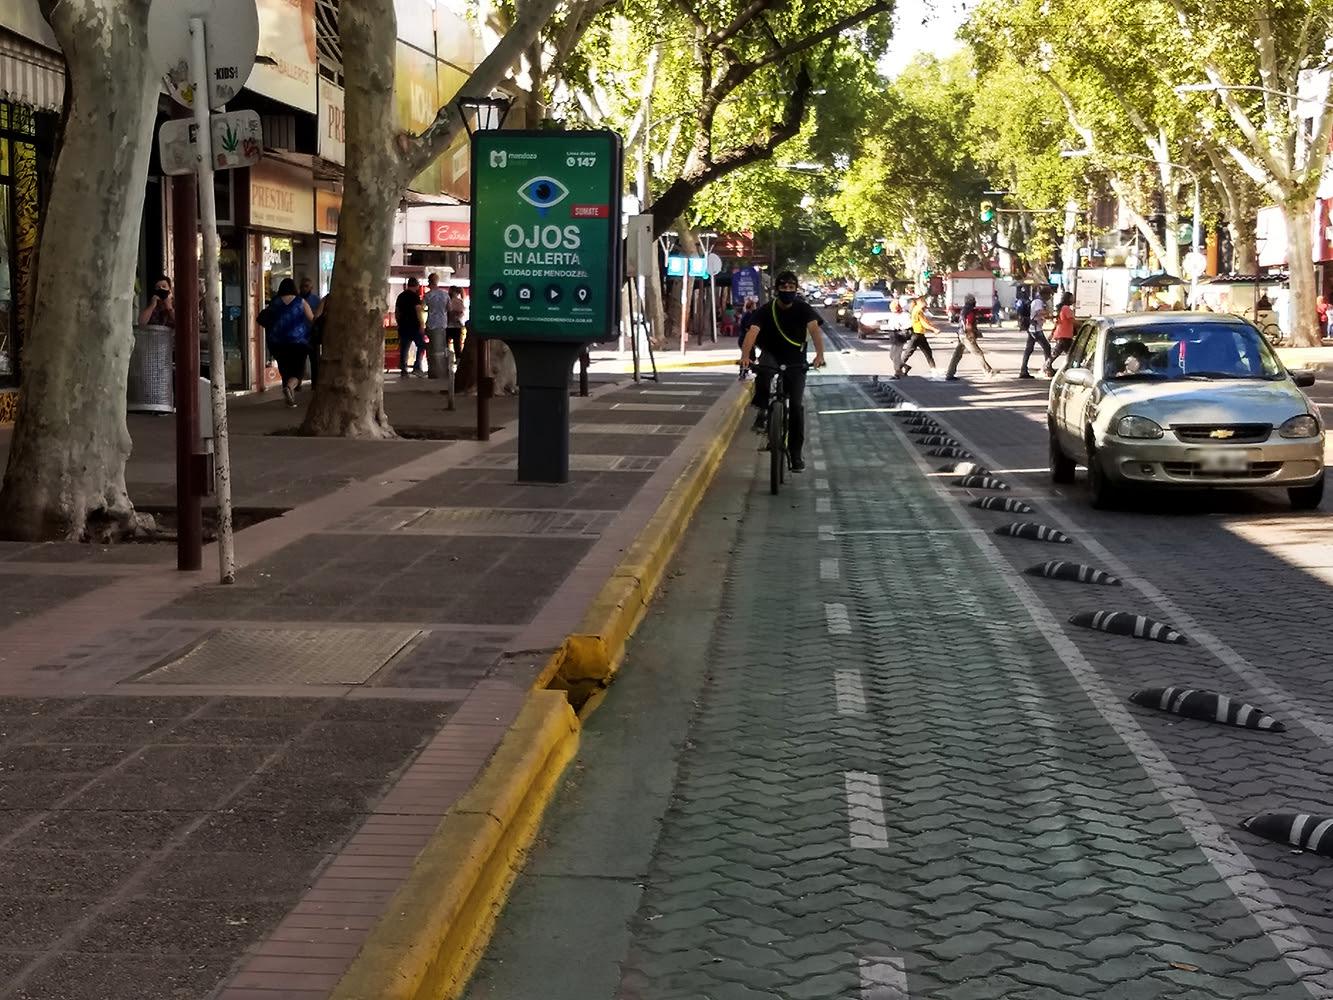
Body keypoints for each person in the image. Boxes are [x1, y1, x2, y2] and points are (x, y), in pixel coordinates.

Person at [739, 271, 826, 473]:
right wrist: (745, 356)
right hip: (772, 354)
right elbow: (752, 333)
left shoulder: (803, 309)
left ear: (796, 289)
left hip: (795, 358)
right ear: (777, 289)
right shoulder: (765, 310)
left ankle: (795, 454)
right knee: (763, 374)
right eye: (783, 287)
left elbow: (814, 330)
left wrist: (819, 355)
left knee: (796, 406)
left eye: (791, 287)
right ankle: (763, 411)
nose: (787, 290)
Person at [261, 277, 315, 406]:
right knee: (298, 372)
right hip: (298, 341)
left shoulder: (275, 302)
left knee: (285, 370)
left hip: (278, 342)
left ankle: (290, 399)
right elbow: (312, 318)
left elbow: (268, 318)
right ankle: (290, 387)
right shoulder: (300, 301)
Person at [945, 293, 996, 381]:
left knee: (957, 355)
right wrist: (972, 335)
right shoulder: (970, 311)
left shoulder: (963, 310)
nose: (975, 302)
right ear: (972, 302)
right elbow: (968, 325)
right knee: (978, 353)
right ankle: (988, 371)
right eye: (974, 300)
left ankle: (950, 373)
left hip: (961, 334)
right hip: (967, 336)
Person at [899, 295, 938, 377]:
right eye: (924, 301)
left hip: (919, 334)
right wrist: (934, 329)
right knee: (908, 352)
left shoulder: (916, 309)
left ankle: (933, 368)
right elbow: (924, 323)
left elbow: (924, 321)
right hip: (916, 334)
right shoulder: (918, 310)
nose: (926, 303)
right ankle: (898, 368)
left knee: (927, 352)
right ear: (919, 302)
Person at [1018, 289, 1051, 379]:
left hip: (1033, 328)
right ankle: (1047, 369)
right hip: (1036, 329)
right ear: (1045, 294)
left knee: (1028, 350)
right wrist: (1048, 312)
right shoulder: (1038, 302)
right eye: (1049, 295)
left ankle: (1023, 370)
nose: (1049, 297)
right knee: (1047, 347)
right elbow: (1039, 312)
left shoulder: (1036, 301)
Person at [396, 277, 425, 377]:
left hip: (403, 325)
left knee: (404, 348)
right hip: (414, 325)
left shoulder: (401, 296)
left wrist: (399, 322)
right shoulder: (415, 297)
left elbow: (397, 312)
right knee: (421, 345)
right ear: (416, 285)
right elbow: (418, 310)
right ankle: (417, 367)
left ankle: (403, 370)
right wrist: (422, 324)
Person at [1044, 291, 1076, 376]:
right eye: (1072, 298)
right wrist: (1083, 325)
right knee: (1061, 353)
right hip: (1064, 335)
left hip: (1063, 334)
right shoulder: (1066, 308)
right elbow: (1072, 320)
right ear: (1068, 299)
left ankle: (1068, 368)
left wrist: (1052, 333)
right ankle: (1047, 367)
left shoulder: (1062, 308)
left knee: (1070, 353)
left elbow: (1057, 323)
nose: (1073, 299)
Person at [423, 274, 449, 373]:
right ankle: (441, 370)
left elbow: (422, 308)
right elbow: (449, 308)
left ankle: (433, 370)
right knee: (441, 348)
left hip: (431, 324)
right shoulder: (445, 294)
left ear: (429, 282)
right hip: (442, 324)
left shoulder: (428, 295)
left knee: (431, 348)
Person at [299, 277, 322, 387]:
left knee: (314, 360)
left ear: (311, 288)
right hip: (299, 334)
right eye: (302, 286)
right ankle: (297, 383)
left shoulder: (316, 300)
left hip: (312, 333)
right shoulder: (297, 299)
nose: (304, 288)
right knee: (300, 360)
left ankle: (315, 383)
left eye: (306, 286)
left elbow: (319, 315)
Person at [445, 288, 466, 368]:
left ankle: (447, 361)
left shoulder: (448, 300)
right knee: (457, 346)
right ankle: (458, 363)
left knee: (446, 345)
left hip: (447, 325)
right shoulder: (459, 301)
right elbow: (461, 313)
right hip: (457, 326)